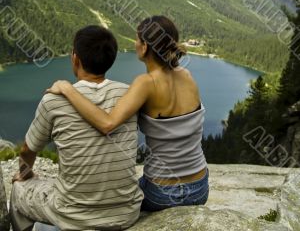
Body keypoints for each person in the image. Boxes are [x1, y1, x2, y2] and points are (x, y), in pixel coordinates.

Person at [47, 16, 209, 212]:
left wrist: (67, 89)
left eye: (137, 39)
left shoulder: (146, 83)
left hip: (162, 193)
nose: (135, 43)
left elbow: (107, 124)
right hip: (200, 188)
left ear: (145, 47)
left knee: (114, 204)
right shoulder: (187, 76)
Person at [10, 25, 143, 231]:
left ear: (75, 58)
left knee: (18, 189)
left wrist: (25, 174)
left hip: (74, 215)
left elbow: (27, 150)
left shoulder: (53, 100)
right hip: (126, 213)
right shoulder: (129, 95)